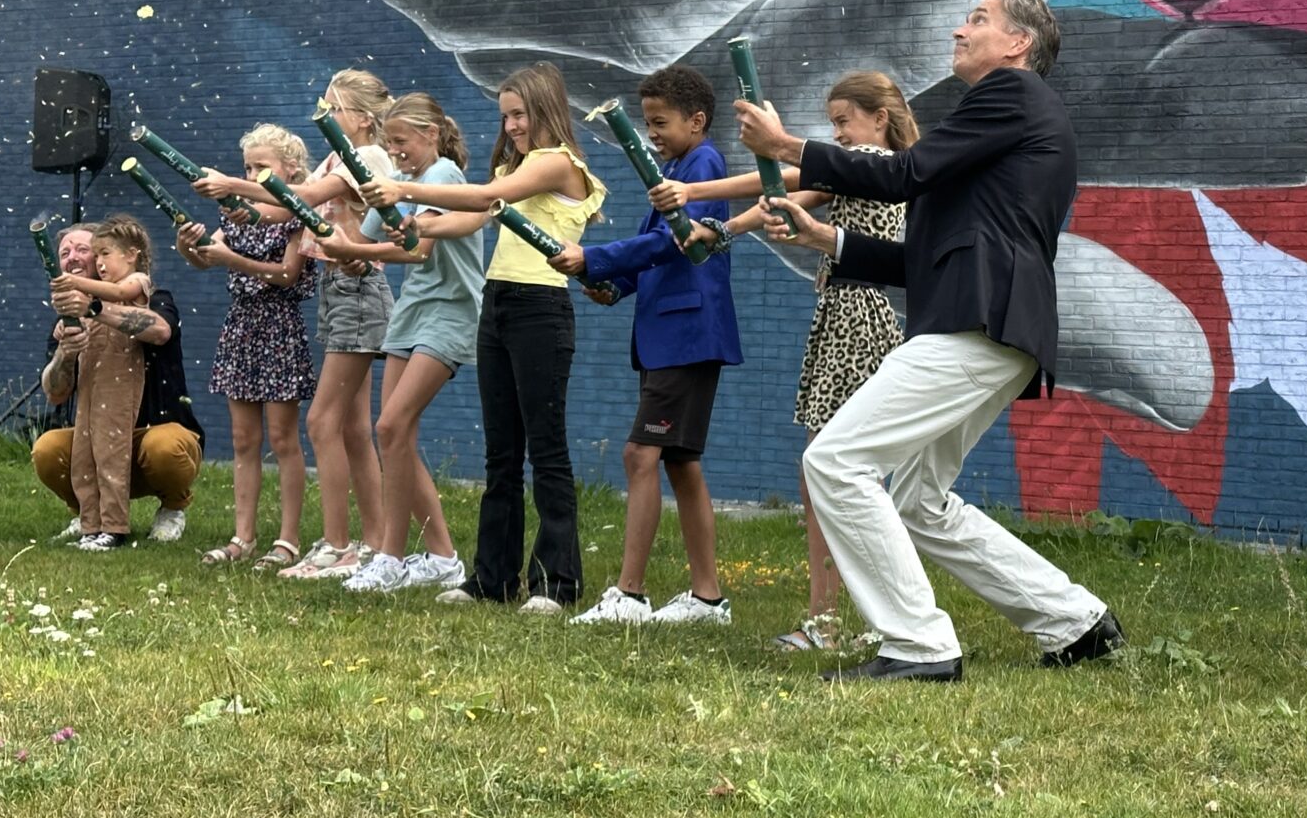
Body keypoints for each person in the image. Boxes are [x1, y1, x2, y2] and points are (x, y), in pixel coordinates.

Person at [737, 0, 1125, 681]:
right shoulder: (1003, 126)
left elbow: (905, 173)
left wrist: (787, 142)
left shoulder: (1013, 95)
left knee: (835, 461)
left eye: (978, 19)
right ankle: (1076, 623)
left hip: (976, 326)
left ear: (1018, 44)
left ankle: (919, 646)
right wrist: (824, 237)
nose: (958, 30)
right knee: (919, 500)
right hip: (989, 324)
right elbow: (926, 260)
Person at [651, 71, 916, 651]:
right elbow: (784, 201)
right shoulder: (867, 170)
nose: (838, 134)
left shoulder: (872, 161)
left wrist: (699, 199)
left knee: (828, 474)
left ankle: (830, 621)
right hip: (846, 317)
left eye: (844, 121)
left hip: (855, 321)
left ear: (880, 120)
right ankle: (850, 614)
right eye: (833, 124)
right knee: (835, 474)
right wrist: (722, 230)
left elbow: (793, 178)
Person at [365, 62, 607, 615]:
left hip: (540, 307)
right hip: (496, 303)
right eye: (505, 116)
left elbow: (481, 199)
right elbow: (473, 219)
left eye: (519, 114)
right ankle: (493, 577)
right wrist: (419, 223)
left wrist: (403, 187)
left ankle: (556, 583)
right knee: (501, 451)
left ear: (545, 109)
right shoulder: (512, 164)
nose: (513, 125)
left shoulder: (556, 162)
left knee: (545, 449)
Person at [549, 64, 739, 626]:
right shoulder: (678, 167)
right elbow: (662, 250)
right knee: (681, 463)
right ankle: (708, 599)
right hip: (670, 337)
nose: (651, 132)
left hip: (686, 337)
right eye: (647, 122)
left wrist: (595, 257)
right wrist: (617, 285)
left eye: (660, 122)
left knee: (640, 454)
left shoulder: (702, 167)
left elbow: (674, 244)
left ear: (696, 120)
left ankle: (629, 595)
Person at [195, 68, 396, 581]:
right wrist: (241, 209)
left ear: (364, 118)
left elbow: (300, 199)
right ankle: (373, 544)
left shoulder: (367, 155)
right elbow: (282, 211)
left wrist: (234, 183)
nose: (324, 115)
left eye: (334, 107)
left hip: (357, 289)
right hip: (338, 289)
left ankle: (337, 543)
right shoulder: (335, 155)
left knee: (321, 423)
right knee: (351, 427)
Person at [320, 92, 485, 593]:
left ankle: (390, 555)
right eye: (388, 144)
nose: (394, 153)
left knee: (391, 424)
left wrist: (352, 249)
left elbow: (419, 249)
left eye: (401, 142)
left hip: (451, 309)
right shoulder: (401, 182)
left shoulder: (443, 177)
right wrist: (350, 253)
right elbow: (370, 246)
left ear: (431, 135)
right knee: (394, 433)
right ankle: (442, 557)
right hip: (413, 310)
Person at [176, 125, 318, 570]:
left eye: (262, 167)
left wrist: (227, 259)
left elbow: (286, 274)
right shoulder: (235, 214)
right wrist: (189, 248)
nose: (252, 175)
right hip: (241, 326)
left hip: (279, 327)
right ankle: (243, 537)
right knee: (243, 439)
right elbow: (208, 255)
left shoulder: (297, 213)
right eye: (247, 168)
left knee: (281, 437)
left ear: (290, 170)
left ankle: (288, 540)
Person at [37, 214, 206, 552]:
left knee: (164, 447)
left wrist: (93, 305)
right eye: (64, 252)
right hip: (96, 432)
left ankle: (172, 507)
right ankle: (88, 519)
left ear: (129, 254)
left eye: (88, 250)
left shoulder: (150, 293)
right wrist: (66, 354)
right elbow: (55, 393)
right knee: (48, 449)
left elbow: (159, 330)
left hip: (152, 437)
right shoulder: (72, 315)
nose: (77, 259)